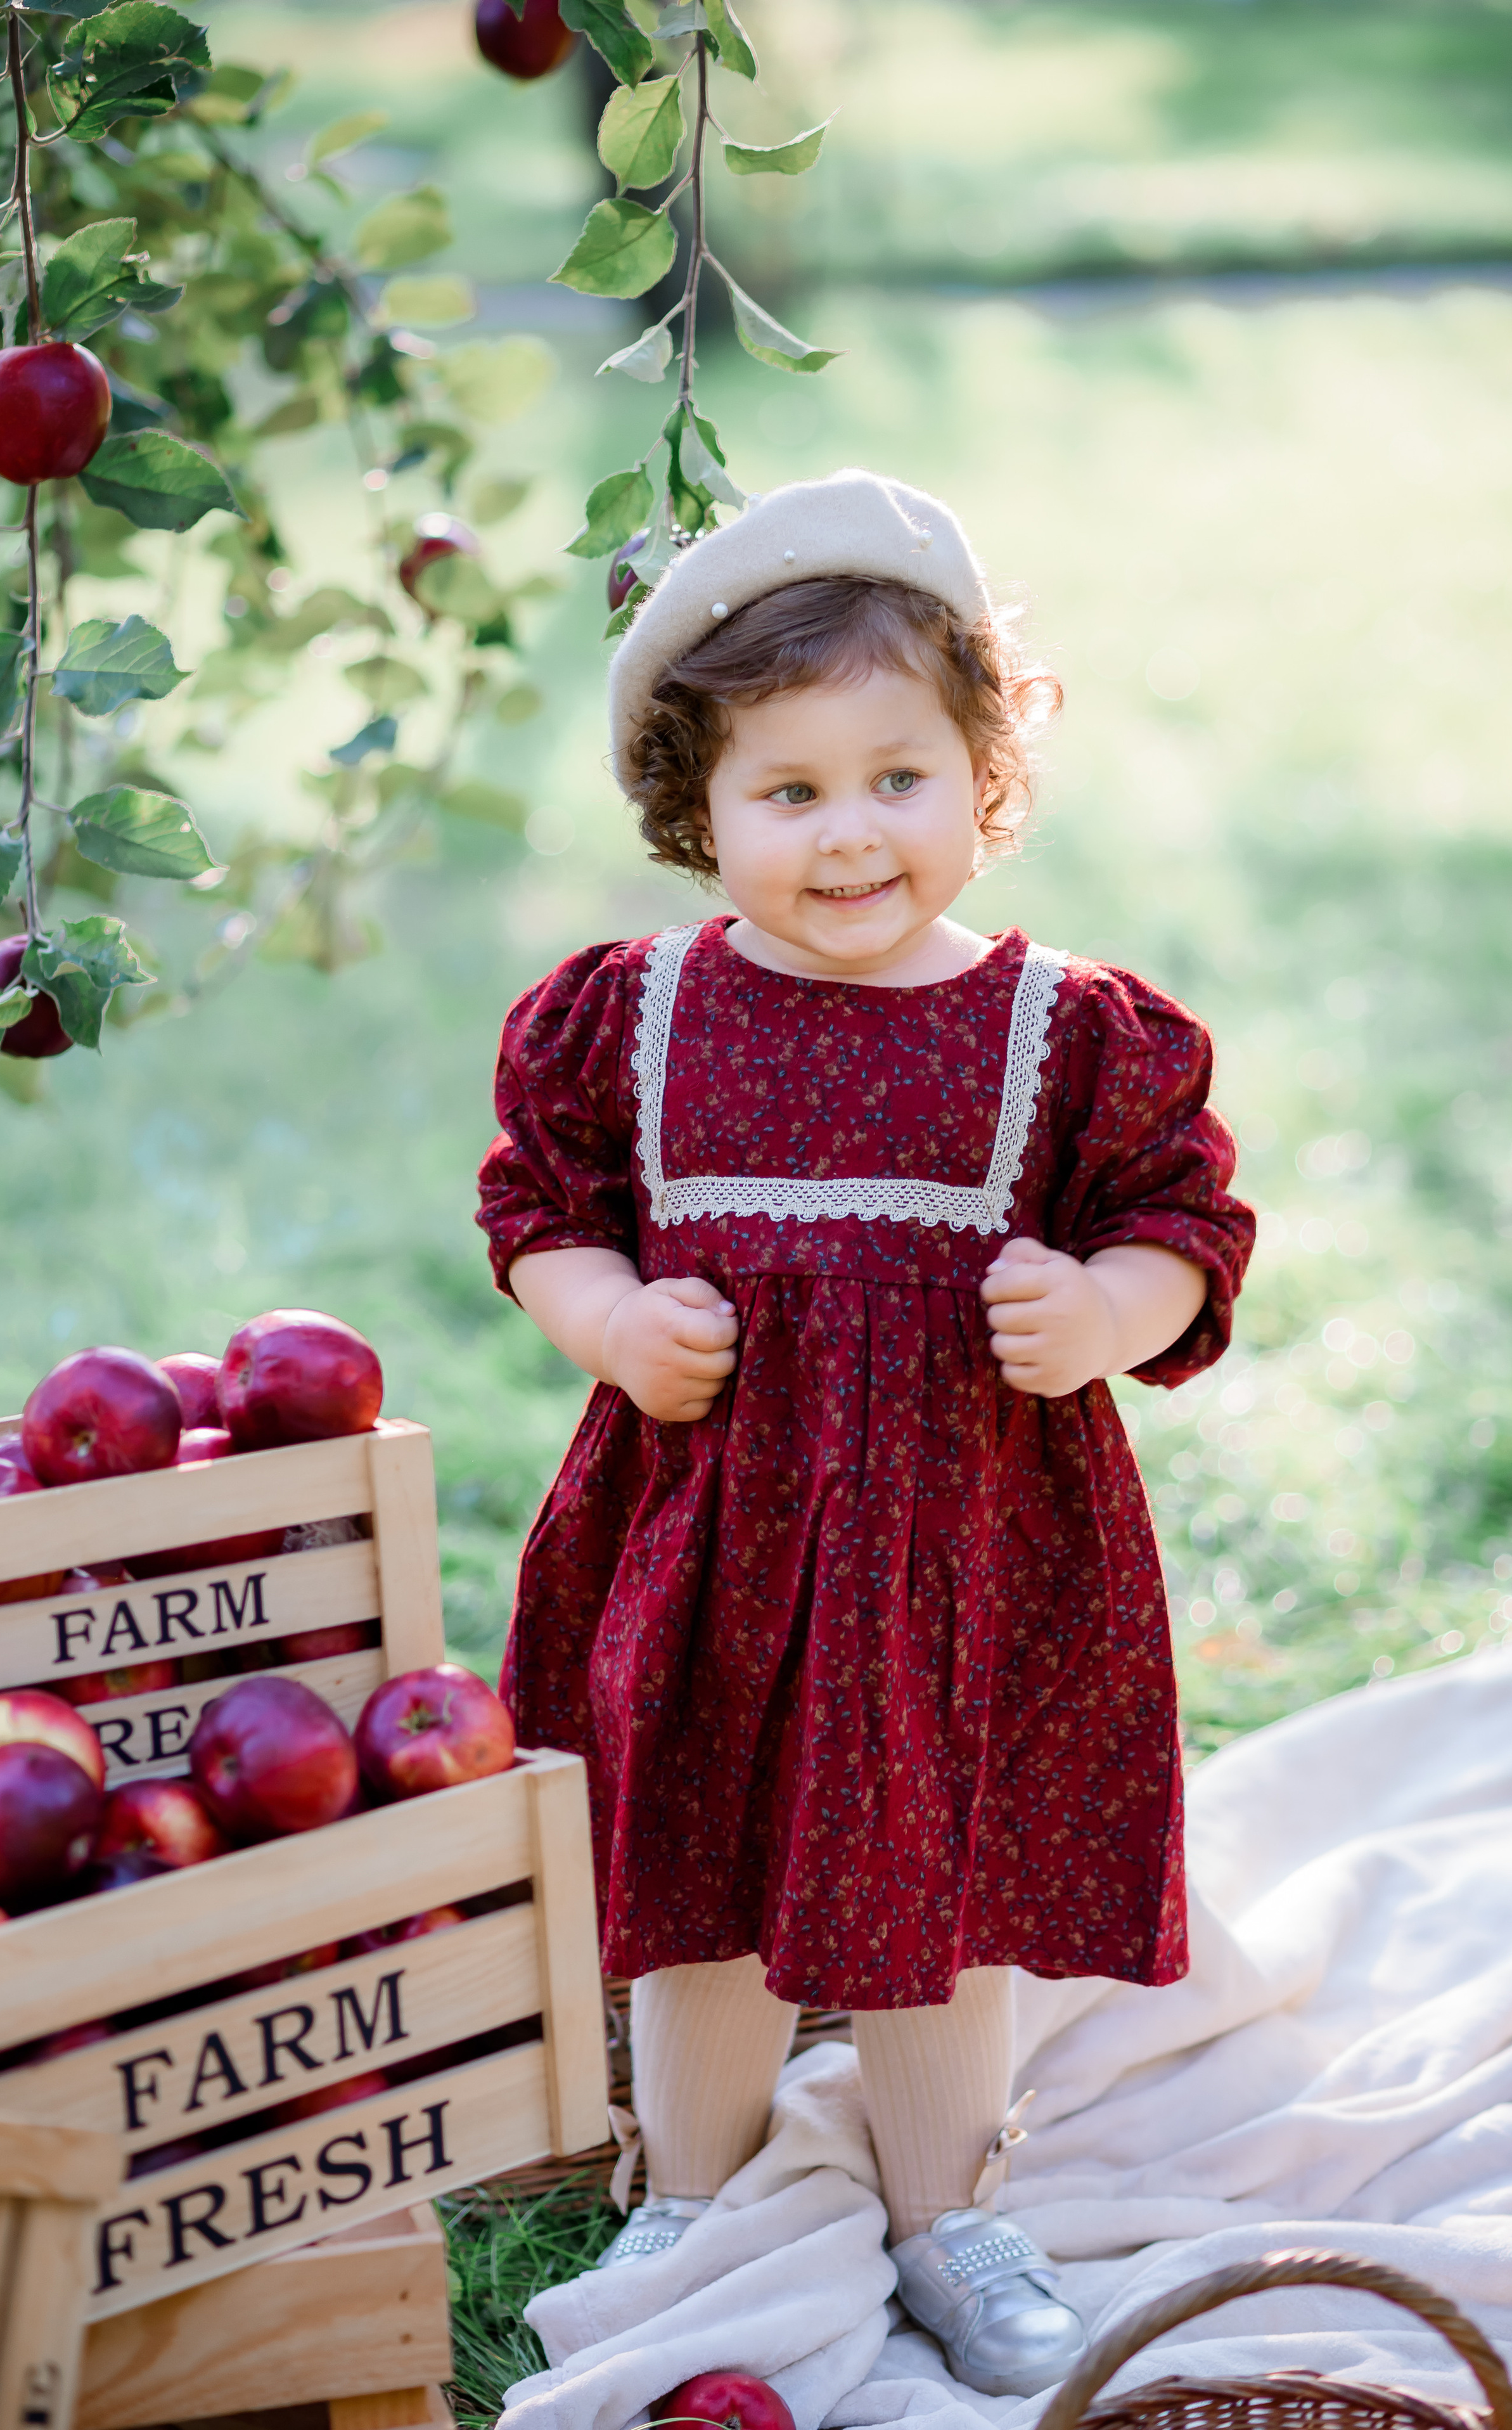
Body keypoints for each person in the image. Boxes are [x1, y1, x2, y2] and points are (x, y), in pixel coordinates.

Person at [475, 471, 1254, 2396]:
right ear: (700, 807)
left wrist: (1107, 1313)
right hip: (712, 1538)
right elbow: (542, 1208)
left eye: (900, 777)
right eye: (791, 790)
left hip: (958, 1549)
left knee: (945, 1881)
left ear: (989, 769)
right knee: (702, 1864)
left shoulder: (1066, 1030)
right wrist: (609, 1321)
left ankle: (944, 2207)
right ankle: (688, 2185)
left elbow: (1182, 1220)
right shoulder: (640, 1016)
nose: (849, 834)